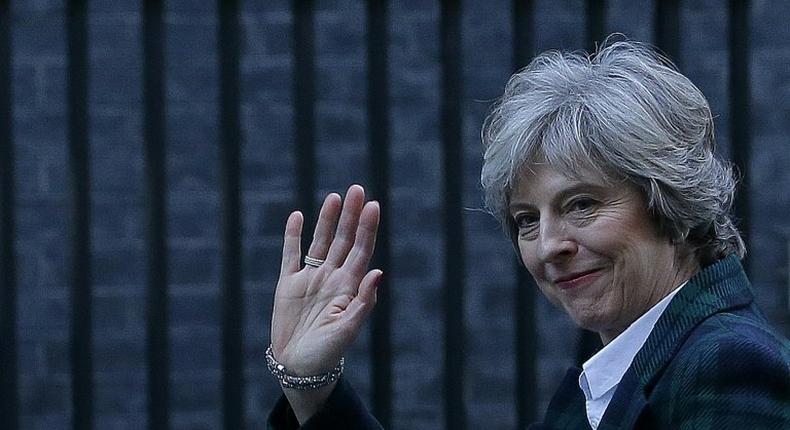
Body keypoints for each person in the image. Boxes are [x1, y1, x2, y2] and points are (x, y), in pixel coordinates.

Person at [266, 40, 790, 429]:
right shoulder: (615, 377)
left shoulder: (726, 366)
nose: (548, 247)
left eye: (581, 205)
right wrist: (312, 386)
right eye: (526, 220)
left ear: (669, 200)